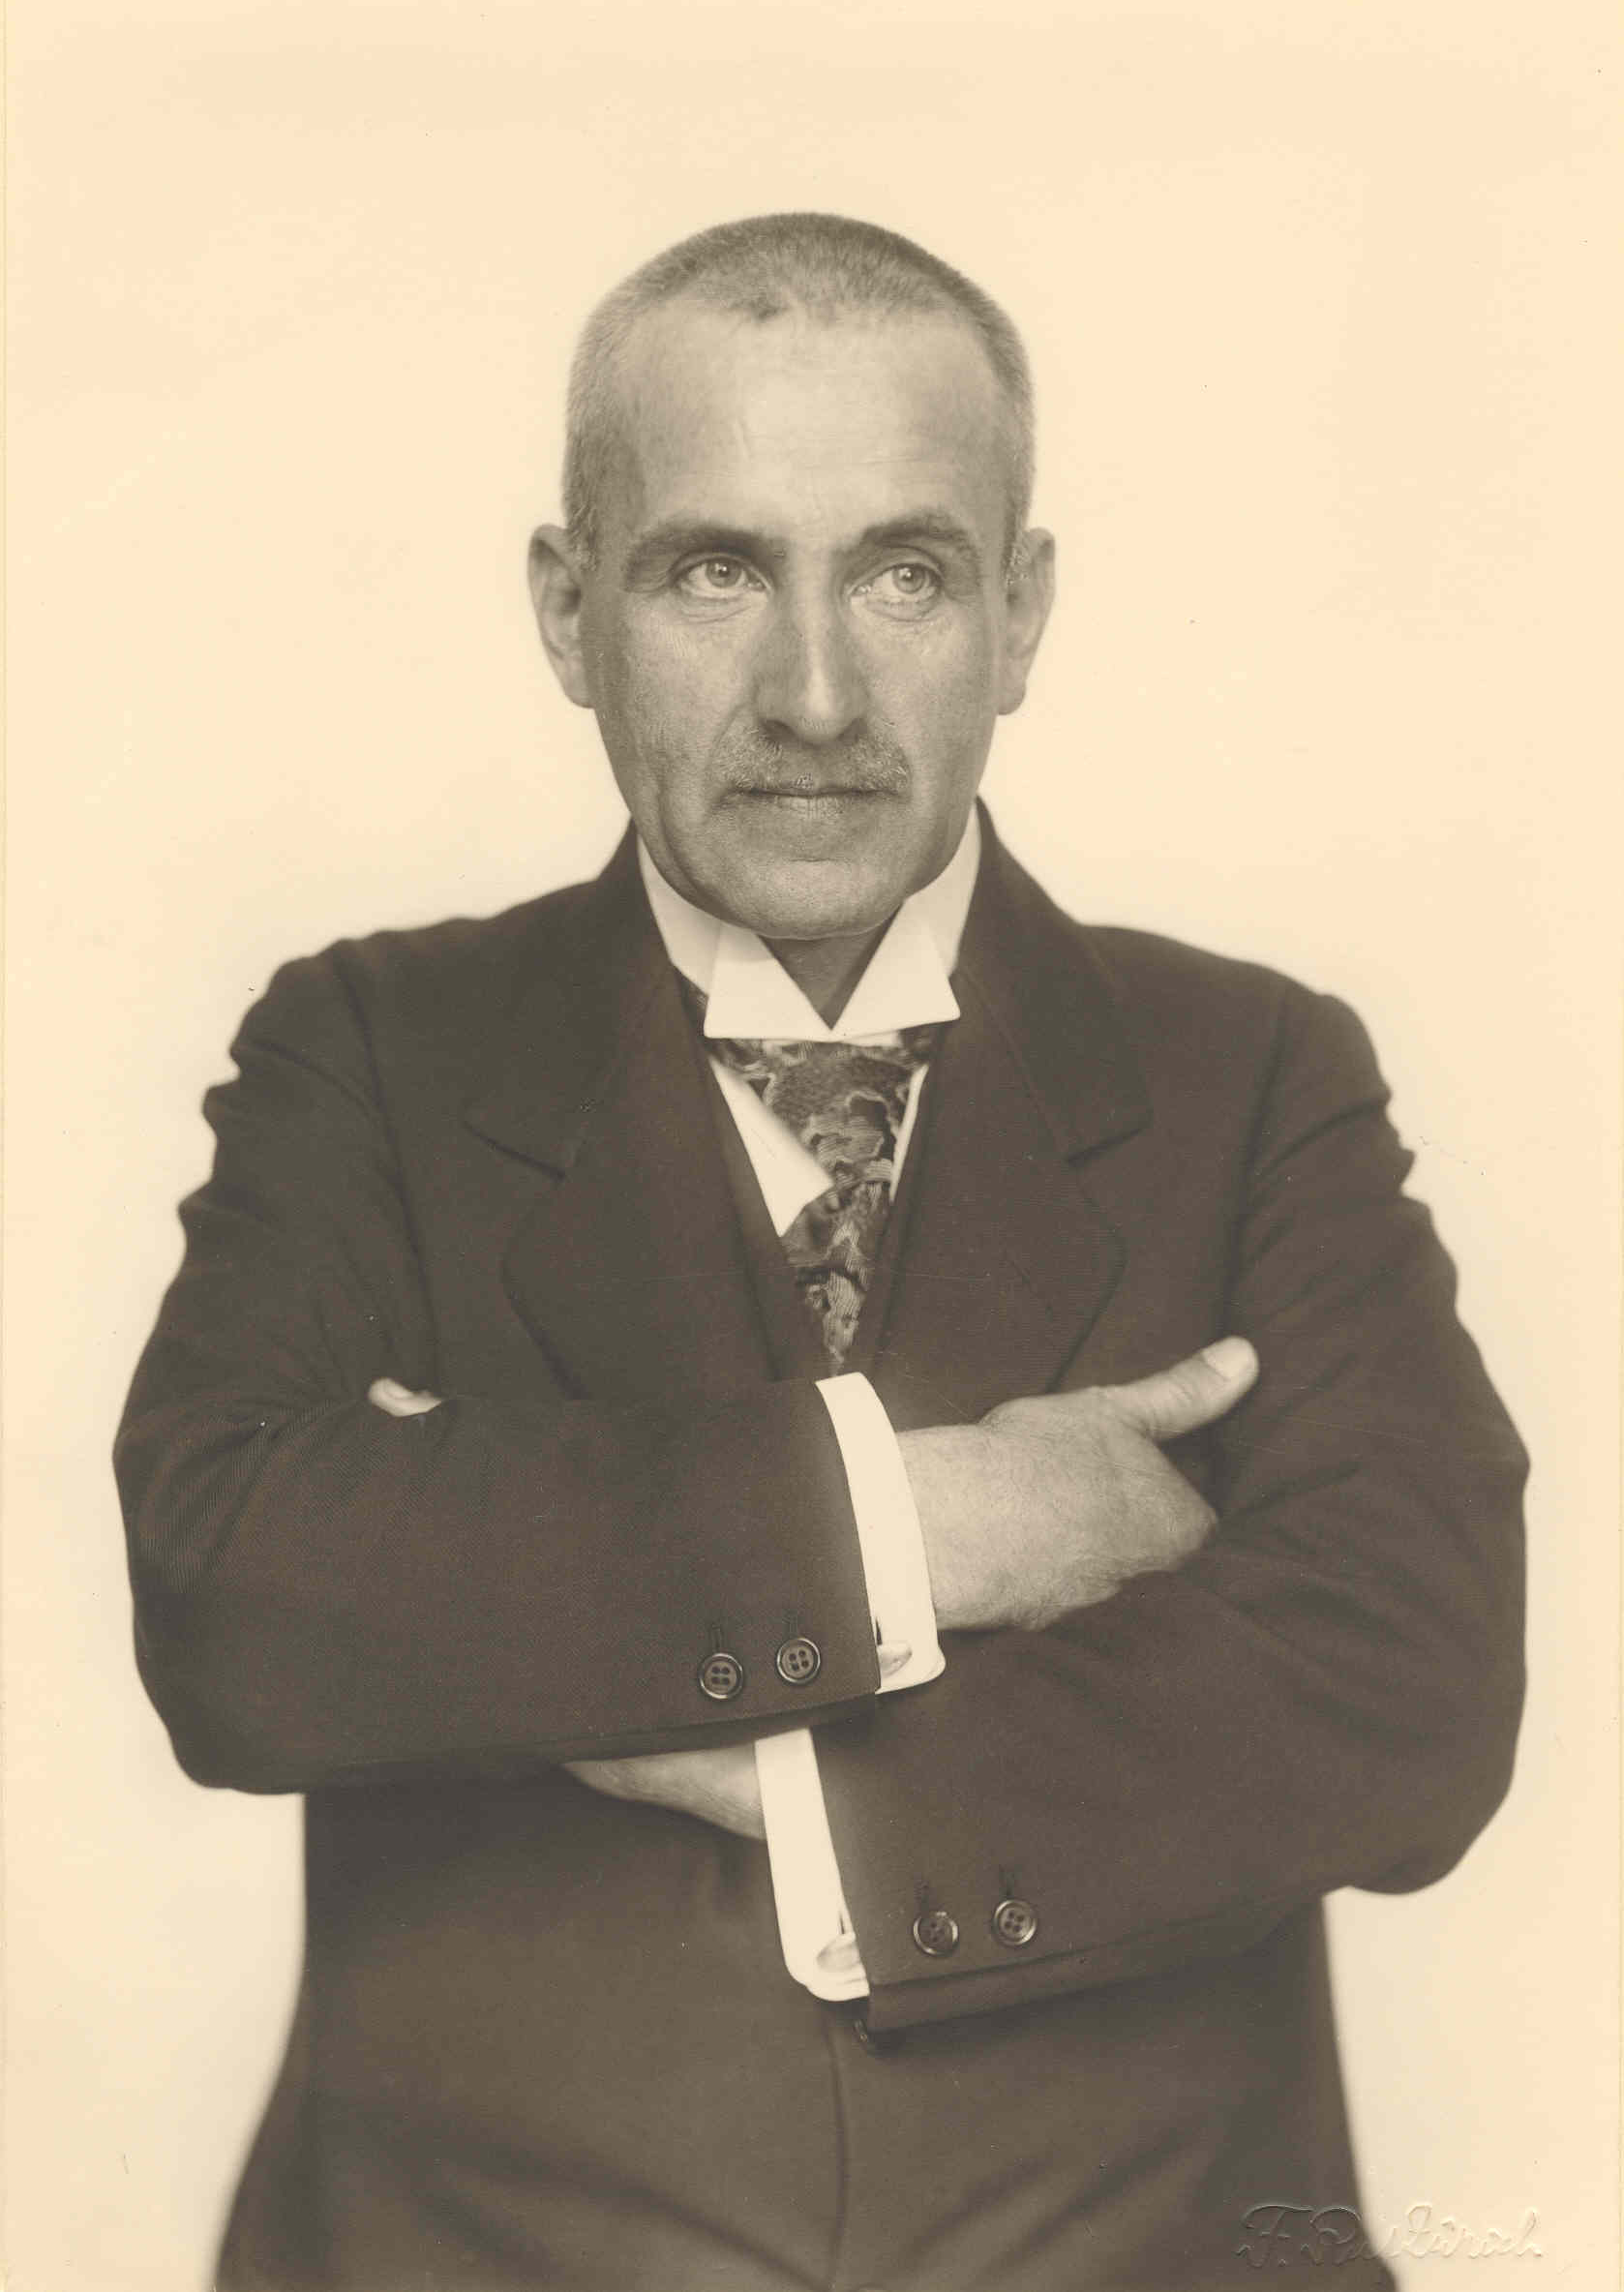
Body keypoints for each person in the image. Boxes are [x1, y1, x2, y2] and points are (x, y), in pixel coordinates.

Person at [114, 213, 1526, 2292]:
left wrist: (738, 1759)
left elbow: (1409, 1691)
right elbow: (240, 1596)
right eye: (713, 570)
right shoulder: (370, 1051)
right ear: (567, 608)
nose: (811, 693)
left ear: (1019, 613)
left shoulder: (1251, 1074)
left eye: (903, 573)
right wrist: (926, 1524)